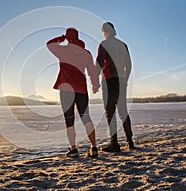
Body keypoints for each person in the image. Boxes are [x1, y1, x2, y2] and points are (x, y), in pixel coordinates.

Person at [46, 27, 101, 158]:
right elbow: (92, 71)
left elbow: (49, 44)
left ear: (67, 36)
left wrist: (61, 38)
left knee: (69, 120)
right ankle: (93, 147)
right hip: (81, 90)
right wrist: (95, 85)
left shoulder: (62, 50)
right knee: (86, 117)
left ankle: (74, 149)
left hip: (66, 90)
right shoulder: (86, 53)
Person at [96, 22, 135, 152]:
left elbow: (100, 63)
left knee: (110, 112)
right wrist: (126, 78)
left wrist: (94, 78)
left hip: (108, 81)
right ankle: (130, 141)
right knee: (123, 110)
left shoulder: (104, 45)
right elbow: (129, 64)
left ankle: (115, 143)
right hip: (121, 80)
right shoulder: (123, 45)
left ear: (104, 32)